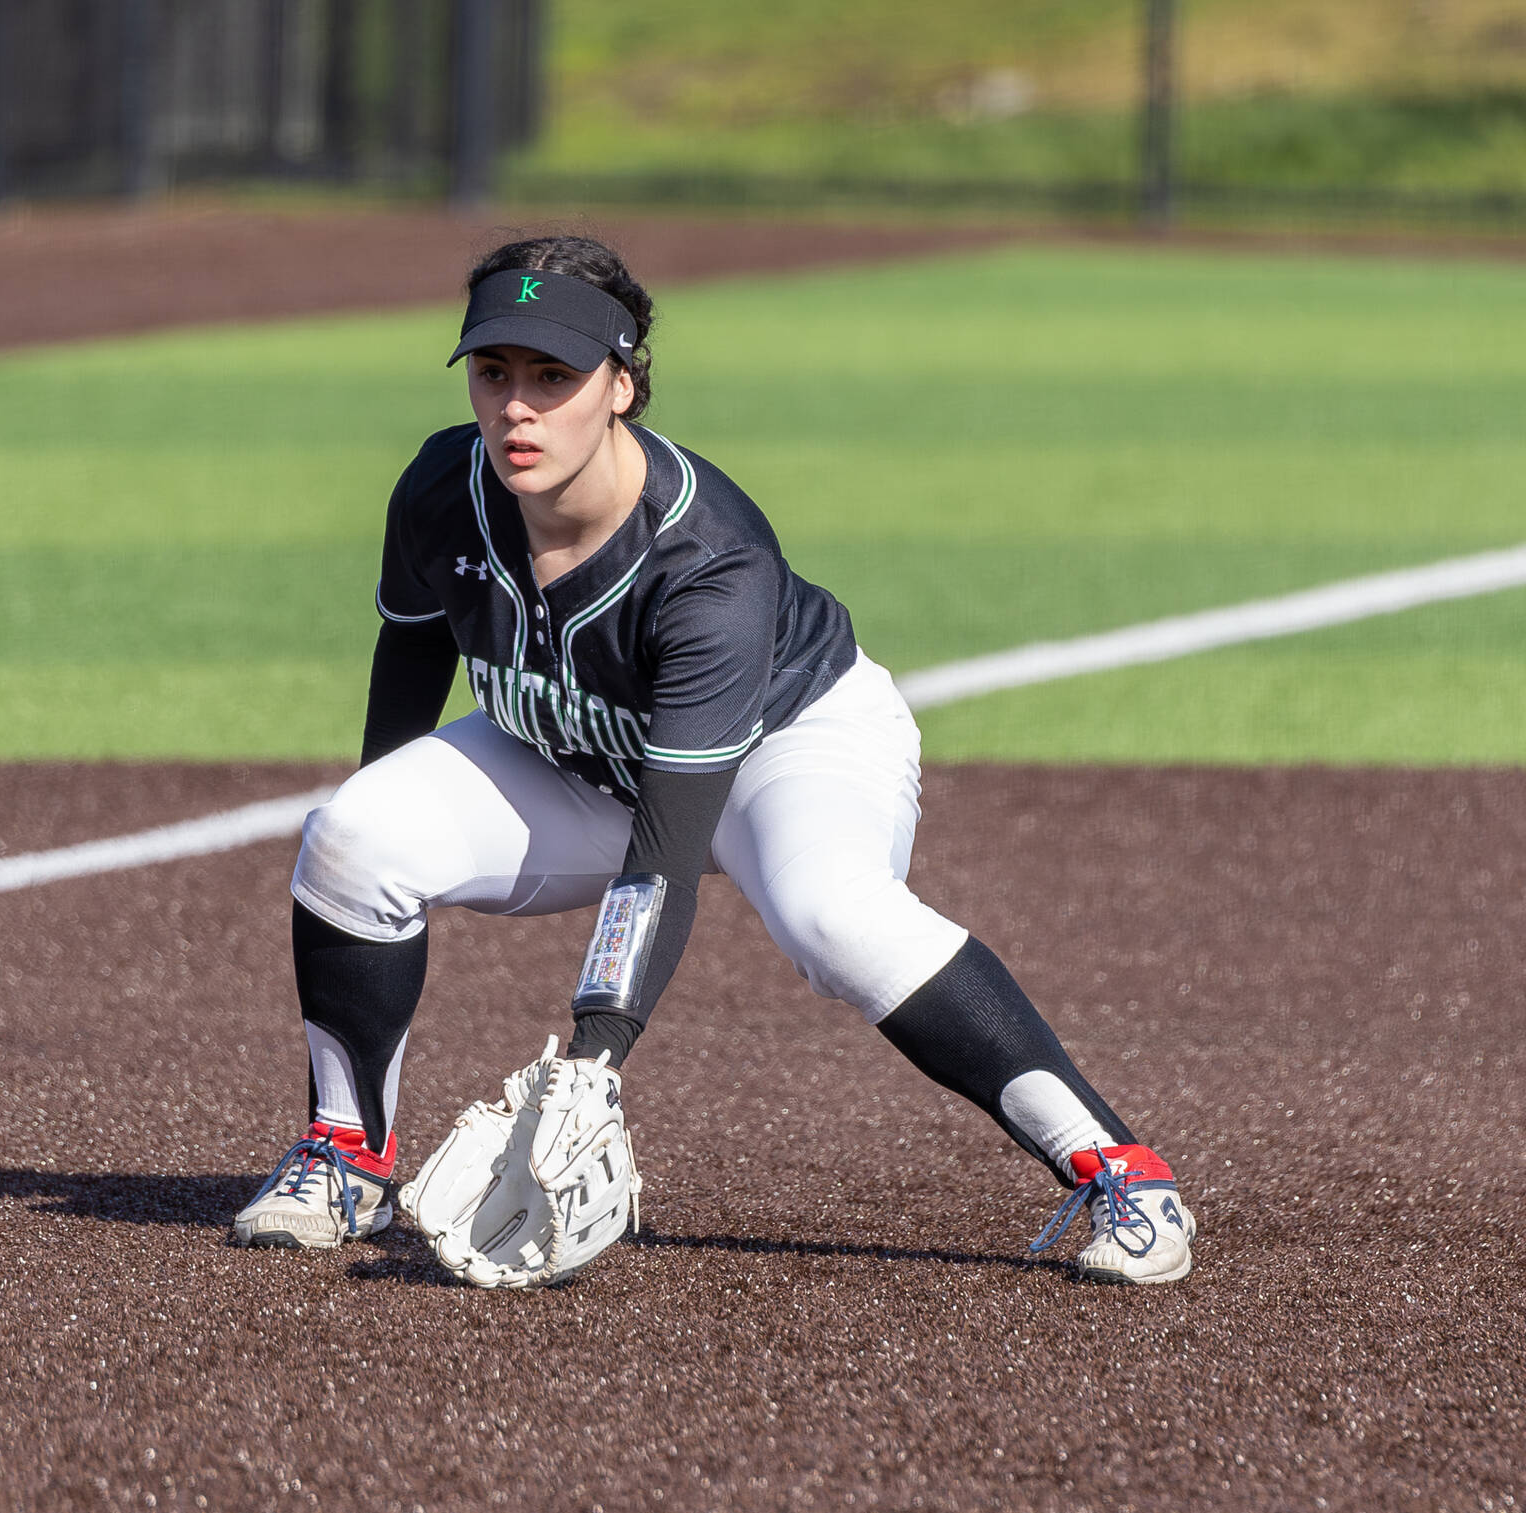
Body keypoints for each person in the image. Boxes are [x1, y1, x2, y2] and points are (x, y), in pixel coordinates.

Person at [231, 234, 1196, 1285]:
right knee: (355, 835)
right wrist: (385, 788)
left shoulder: (708, 566)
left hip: (789, 748)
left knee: (831, 914)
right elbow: (412, 641)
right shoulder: (439, 487)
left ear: (623, 386)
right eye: (493, 370)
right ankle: (345, 1154)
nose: (516, 406)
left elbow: (665, 846)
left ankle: (1120, 1170)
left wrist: (594, 1058)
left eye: (554, 376)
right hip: (581, 757)